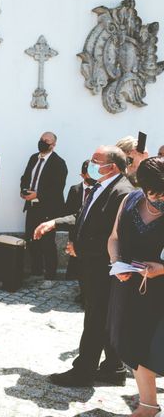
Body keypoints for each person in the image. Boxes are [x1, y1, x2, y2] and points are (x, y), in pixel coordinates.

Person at [35, 145, 134, 387]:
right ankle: (114, 368)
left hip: (104, 267)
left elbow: (115, 235)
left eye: (95, 160)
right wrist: (54, 222)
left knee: (95, 320)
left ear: (111, 166)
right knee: (104, 318)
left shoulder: (122, 192)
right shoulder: (101, 186)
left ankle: (83, 371)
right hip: (92, 266)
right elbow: (82, 216)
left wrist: (81, 249)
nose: (90, 163)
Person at [107, 157, 164, 416]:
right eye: (151, 192)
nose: (156, 198)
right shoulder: (128, 200)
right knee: (131, 342)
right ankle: (148, 404)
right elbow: (114, 238)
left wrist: (160, 268)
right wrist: (116, 262)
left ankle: (147, 405)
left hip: (160, 291)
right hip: (129, 285)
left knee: (153, 346)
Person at [20, 131, 67, 286]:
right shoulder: (34, 158)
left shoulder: (59, 163)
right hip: (32, 207)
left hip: (49, 209)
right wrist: (24, 190)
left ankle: (50, 277)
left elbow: (57, 188)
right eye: (41, 139)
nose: (43, 142)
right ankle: (36, 271)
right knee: (32, 239)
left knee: (47, 242)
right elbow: (25, 177)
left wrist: (37, 194)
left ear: (53, 145)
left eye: (46, 140)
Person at [64, 159, 96, 303]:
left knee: (90, 268)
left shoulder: (99, 189)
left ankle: (87, 296)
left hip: (92, 236)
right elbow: (69, 212)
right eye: (88, 176)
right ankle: (83, 292)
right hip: (77, 235)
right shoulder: (75, 190)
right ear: (82, 175)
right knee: (79, 268)